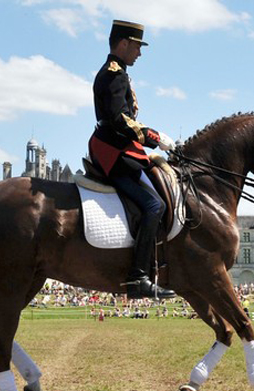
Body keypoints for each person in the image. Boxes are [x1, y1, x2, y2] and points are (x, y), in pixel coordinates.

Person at [89, 19, 176, 300]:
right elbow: (119, 121)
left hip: (118, 148)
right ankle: (138, 276)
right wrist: (154, 137)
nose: (139, 52)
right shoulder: (114, 74)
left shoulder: (118, 73)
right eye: (137, 46)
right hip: (113, 151)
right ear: (124, 43)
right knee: (154, 205)